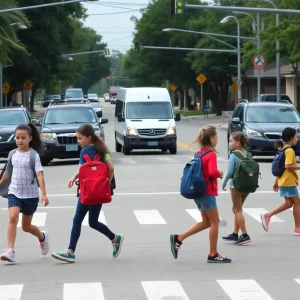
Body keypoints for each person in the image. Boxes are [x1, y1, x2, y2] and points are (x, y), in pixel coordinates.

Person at [52, 124, 123, 263]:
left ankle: (71, 252)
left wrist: (74, 177)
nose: (78, 141)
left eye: (80, 138)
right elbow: (111, 168)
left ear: (89, 137)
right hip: (99, 190)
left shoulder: (84, 152)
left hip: (87, 191)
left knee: (78, 220)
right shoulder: (103, 150)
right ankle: (115, 239)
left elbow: (83, 170)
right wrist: (106, 184)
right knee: (92, 222)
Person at [170, 125, 231, 263]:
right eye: (216, 137)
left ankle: (179, 238)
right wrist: (220, 173)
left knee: (206, 222)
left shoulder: (199, 153)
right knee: (214, 222)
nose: (217, 140)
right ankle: (213, 254)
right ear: (211, 138)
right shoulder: (211, 154)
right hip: (206, 192)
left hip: (198, 192)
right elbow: (212, 172)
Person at [0, 123, 49, 263]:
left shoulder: (33, 155)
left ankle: (42, 237)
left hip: (31, 195)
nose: (20, 140)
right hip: (14, 192)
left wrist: (44, 195)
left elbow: (40, 176)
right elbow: (6, 175)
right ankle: (10, 250)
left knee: (26, 227)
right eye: (17, 137)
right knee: (12, 218)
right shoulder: (12, 154)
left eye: (23, 138)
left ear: (30, 138)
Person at [261, 127, 300, 235]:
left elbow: (281, 167)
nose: (297, 139)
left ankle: (267, 216)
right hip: (288, 181)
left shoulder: (283, 149)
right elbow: (287, 166)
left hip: (283, 180)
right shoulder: (290, 150)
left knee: (288, 203)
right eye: (296, 137)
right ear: (291, 138)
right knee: (297, 202)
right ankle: (297, 228)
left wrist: (276, 181)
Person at [222, 132, 251, 245]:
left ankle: (244, 235)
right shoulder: (247, 154)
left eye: (231, 141)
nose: (229, 143)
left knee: (237, 210)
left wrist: (224, 183)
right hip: (247, 186)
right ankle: (235, 234)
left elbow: (229, 172)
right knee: (237, 209)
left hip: (236, 186)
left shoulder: (234, 155)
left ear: (238, 142)